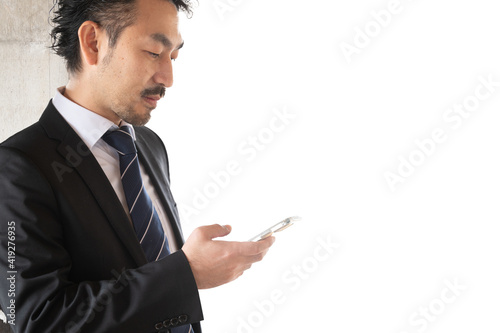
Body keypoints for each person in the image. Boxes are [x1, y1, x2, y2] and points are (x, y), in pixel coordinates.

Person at [0, 0, 275, 332]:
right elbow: (37, 320)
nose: (168, 78)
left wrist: (187, 272)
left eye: (173, 57)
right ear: (93, 43)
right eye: (154, 52)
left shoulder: (149, 145)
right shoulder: (15, 168)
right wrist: (185, 274)